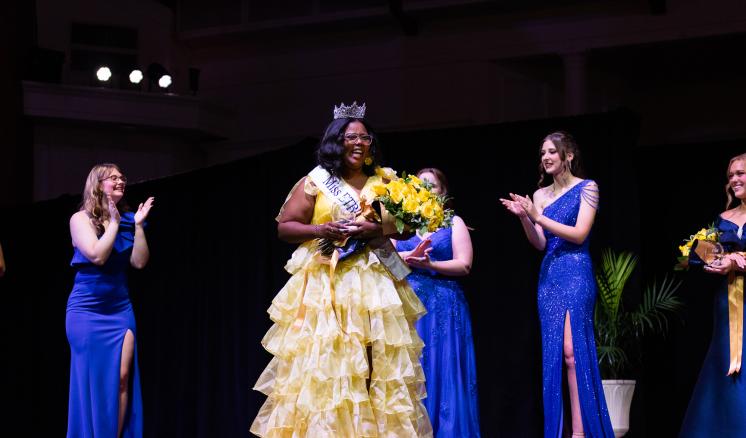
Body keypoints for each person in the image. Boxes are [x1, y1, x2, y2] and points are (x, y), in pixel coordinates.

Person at [250, 102, 432, 437]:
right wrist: (322, 230)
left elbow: (406, 229)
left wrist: (376, 230)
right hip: (328, 280)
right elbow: (286, 227)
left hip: (375, 281)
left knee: (376, 365)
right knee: (330, 364)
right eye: (352, 137)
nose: (360, 143)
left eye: (365, 137)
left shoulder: (386, 180)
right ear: (337, 141)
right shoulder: (317, 182)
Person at [500, 131, 613, 437]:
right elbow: (539, 242)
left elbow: (579, 234)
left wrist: (538, 215)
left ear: (569, 156)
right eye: (542, 153)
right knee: (556, 356)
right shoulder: (539, 195)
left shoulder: (588, 188)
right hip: (549, 275)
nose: (546, 157)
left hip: (576, 270)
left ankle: (580, 431)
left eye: (552, 151)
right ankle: (560, 430)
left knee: (572, 352)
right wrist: (526, 217)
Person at [66, 164, 154, 438]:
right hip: (86, 309)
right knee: (92, 382)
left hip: (119, 308)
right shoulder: (80, 219)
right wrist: (114, 223)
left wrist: (137, 226)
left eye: (122, 177)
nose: (120, 181)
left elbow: (139, 262)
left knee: (122, 379)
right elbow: (97, 255)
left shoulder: (129, 219)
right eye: (112, 177)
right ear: (97, 184)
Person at [395, 168, 481, 437]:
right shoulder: (400, 224)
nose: (425, 189)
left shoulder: (452, 222)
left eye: (431, 185)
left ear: (443, 192)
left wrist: (430, 263)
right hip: (409, 302)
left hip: (445, 304)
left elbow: (464, 264)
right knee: (413, 368)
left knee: (444, 370)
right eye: (419, 185)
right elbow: (386, 263)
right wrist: (409, 256)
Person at [680, 153, 746, 437]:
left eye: (741, 173)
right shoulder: (723, 219)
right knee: (726, 367)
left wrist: (739, 259)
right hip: (727, 304)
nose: (734, 180)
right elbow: (688, 251)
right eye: (731, 175)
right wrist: (720, 256)